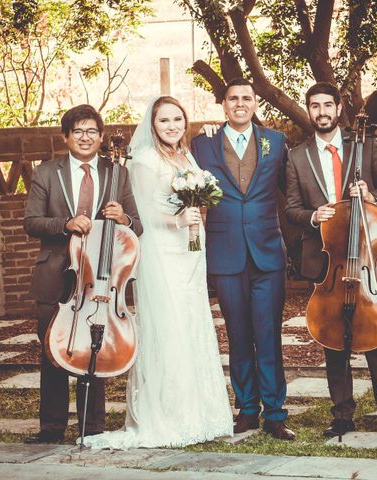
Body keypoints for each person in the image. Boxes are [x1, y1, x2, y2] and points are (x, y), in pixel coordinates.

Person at [82, 96, 233, 449]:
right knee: (168, 325)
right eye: (164, 121)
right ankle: (168, 414)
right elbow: (145, 214)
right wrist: (178, 218)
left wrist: (192, 217)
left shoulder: (185, 155)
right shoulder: (146, 160)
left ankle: (201, 413)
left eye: (178, 119)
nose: (172, 126)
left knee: (192, 322)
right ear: (152, 125)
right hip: (162, 251)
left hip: (189, 252)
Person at [285, 81, 377, 438]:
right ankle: (342, 415)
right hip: (329, 259)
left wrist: (372, 194)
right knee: (332, 338)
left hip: (365, 258)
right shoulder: (297, 156)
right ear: (308, 110)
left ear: (339, 108)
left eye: (328, 105)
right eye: (315, 106)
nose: (322, 112)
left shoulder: (364, 145)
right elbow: (292, 208)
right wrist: (314, 216)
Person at [23, 104, 143, 443]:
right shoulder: (47, 172)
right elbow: (30, 221)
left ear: (101, 136)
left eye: (92, 131)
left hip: (99, 278)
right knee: (52, 349)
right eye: (78, 131)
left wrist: (124, 219)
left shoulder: (117, 173)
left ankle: (93, 428)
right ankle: (51, 428)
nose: (85, 137)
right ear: (65, 137)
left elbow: (138, 225)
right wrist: (65, 224)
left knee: (95, 348)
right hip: (55, 273)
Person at [191, 78, 295, 441]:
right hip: (225, 253)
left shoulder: (276, 142)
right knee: (237, 336)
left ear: (254, 104)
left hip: (267, 252)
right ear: (223, 104)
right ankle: (247, 410)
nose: (239, 103)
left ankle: (276, 413)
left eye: (246, 98)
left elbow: (292, 192)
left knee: (268, 335)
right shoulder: (201, 143)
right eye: (233, 98)